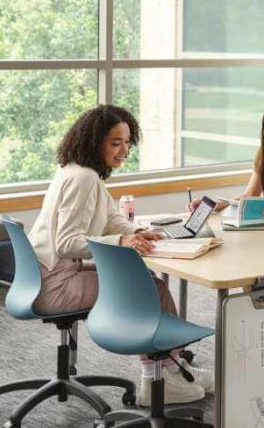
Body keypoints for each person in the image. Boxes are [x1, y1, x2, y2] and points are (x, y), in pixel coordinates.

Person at [28, 105, 212, 407]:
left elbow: (112, 217)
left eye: (128, 142)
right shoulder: (83, 178)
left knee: (148, 282)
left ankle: (174, 371)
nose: (124, 150)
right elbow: (66, 243)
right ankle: (162, 377)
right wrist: (123, 240)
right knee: (149, 288)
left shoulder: (79, 172)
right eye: (116, 142)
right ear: (93, 141)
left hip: (48, 275)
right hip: (55, 286)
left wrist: (136, 231)